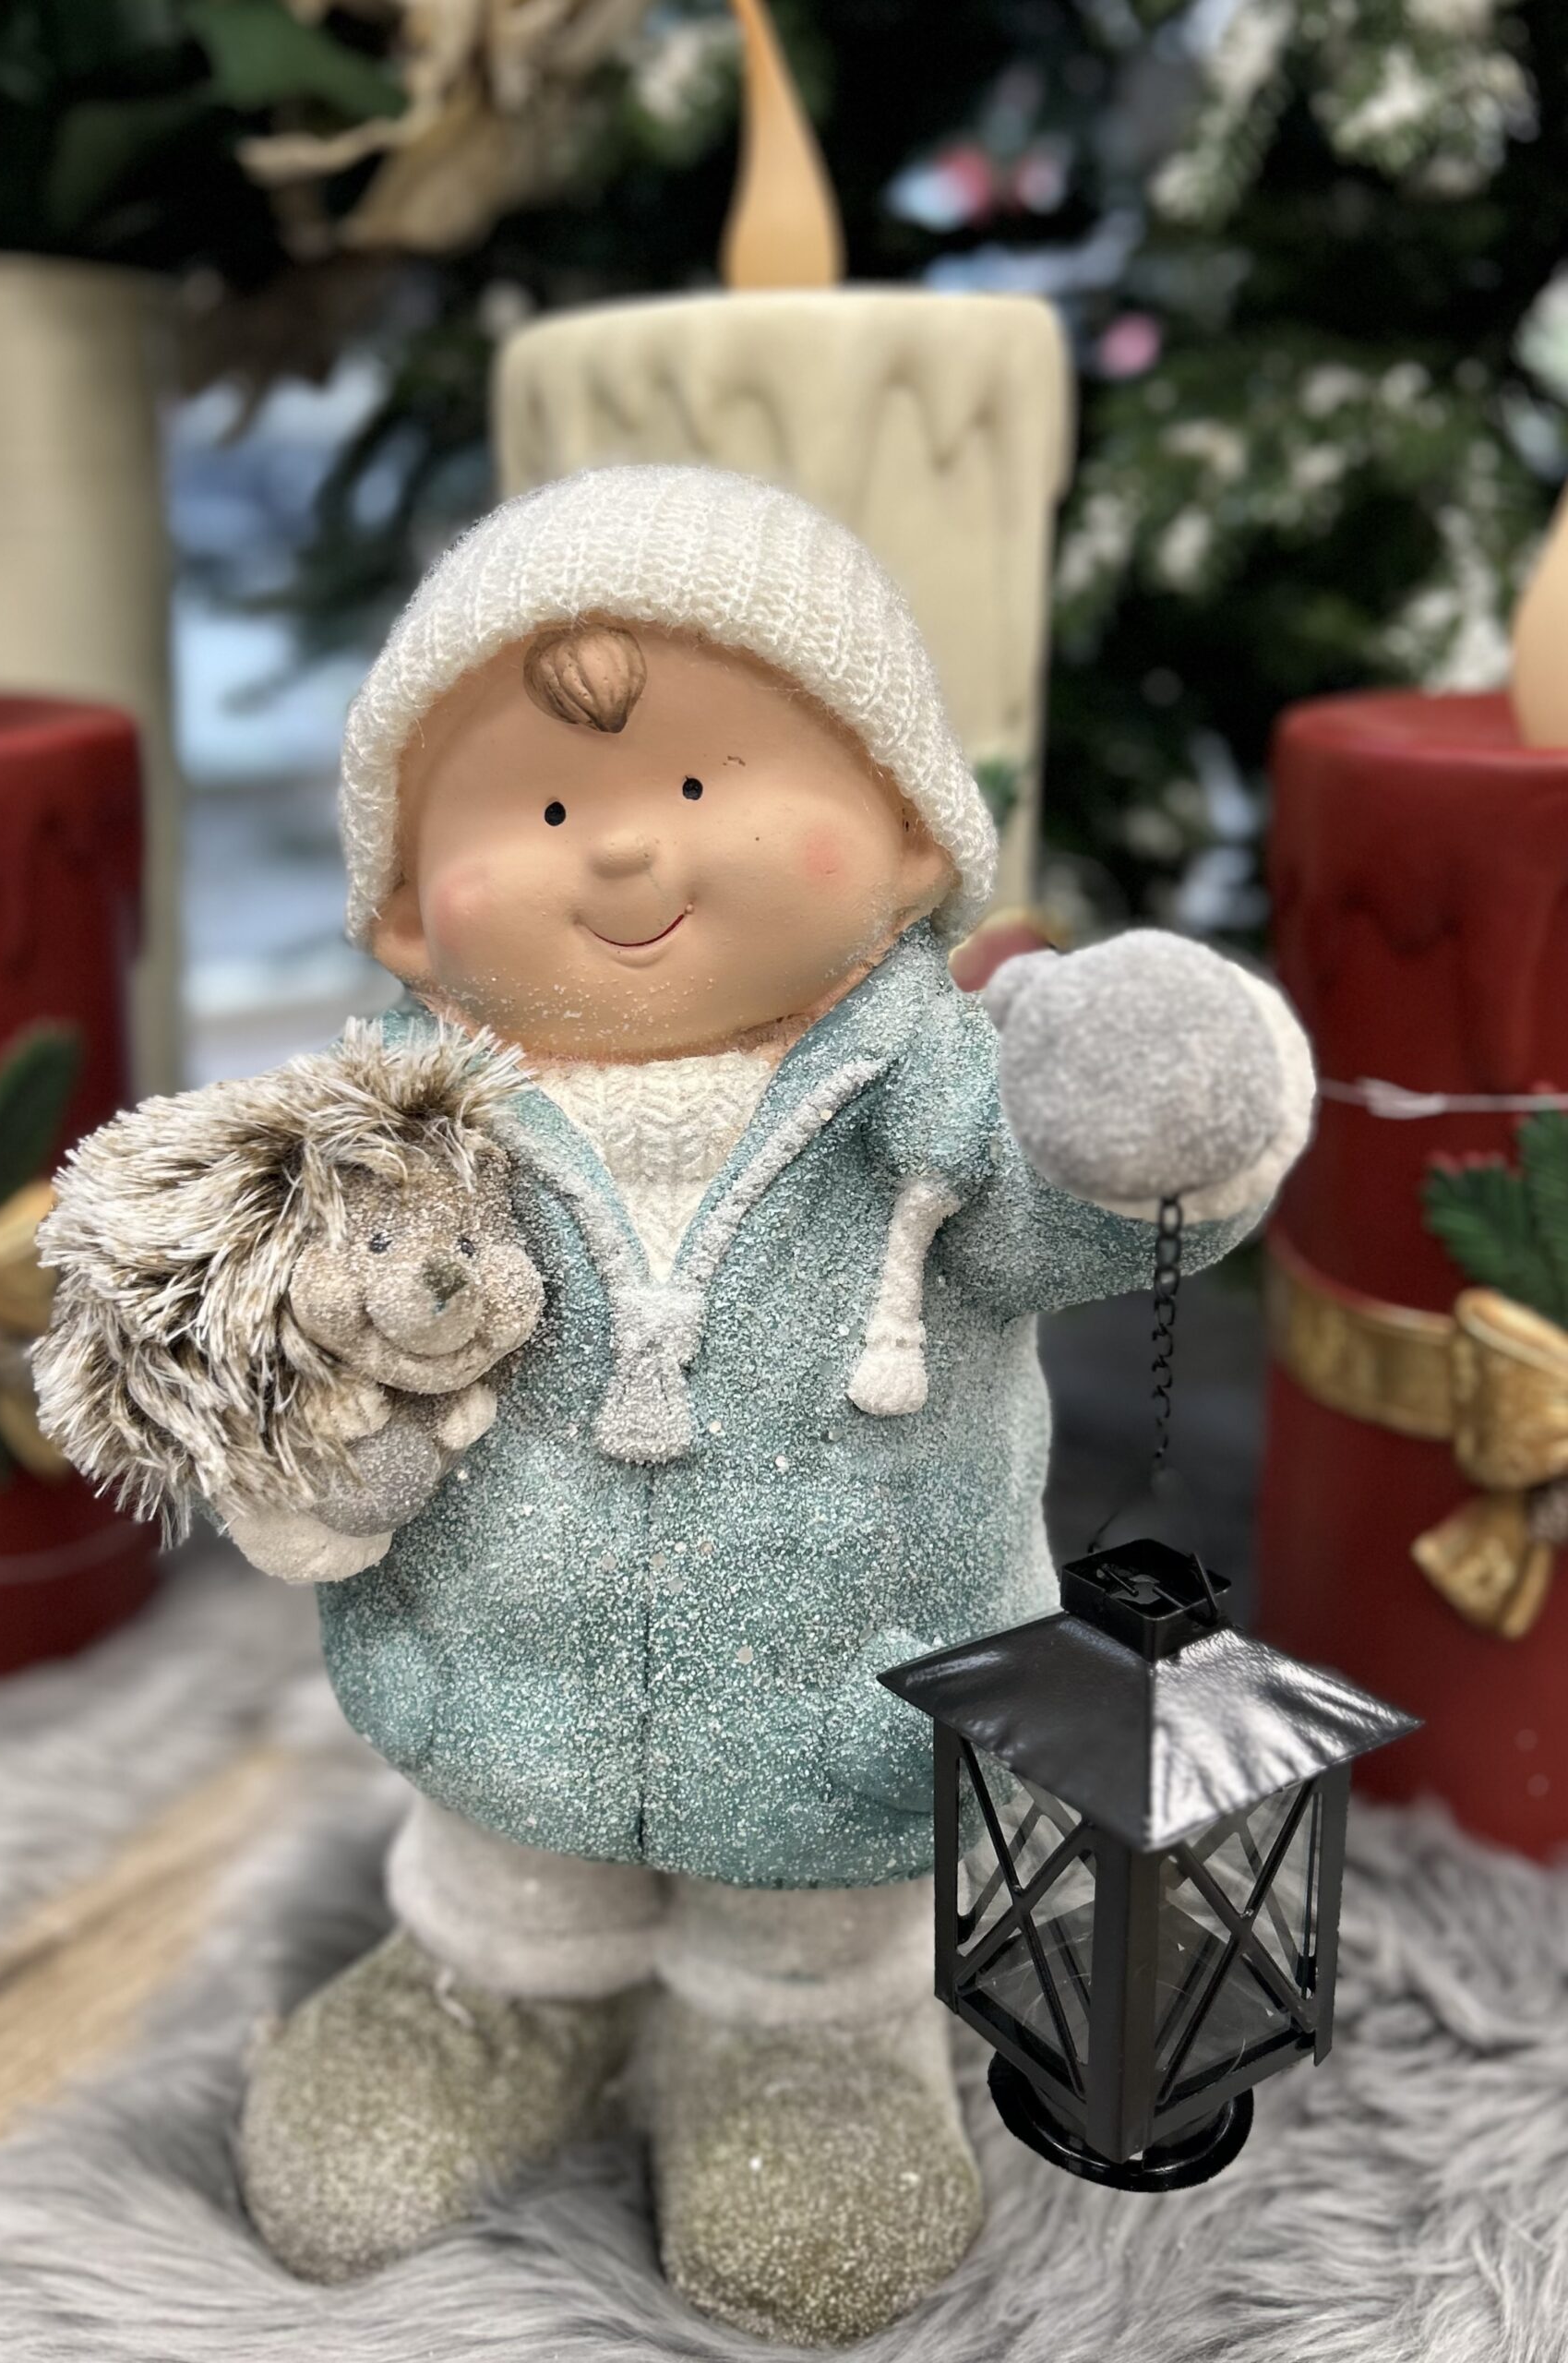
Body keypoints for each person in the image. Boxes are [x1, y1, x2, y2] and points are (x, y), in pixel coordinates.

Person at [233, 464, 1314, 2345]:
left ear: (908, 837)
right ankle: (492, 1988)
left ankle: (804, 2042)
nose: (624, 854)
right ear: (404, 910)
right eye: (543, 810)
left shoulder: (932, 1100)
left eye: (704, 785)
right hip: (497, 1676)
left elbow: (1085, 1202)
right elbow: (280, 1319)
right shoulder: (397, 1129)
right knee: (504, 1866)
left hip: (850, 1709)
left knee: (819, 1927)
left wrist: (1162, 1111)